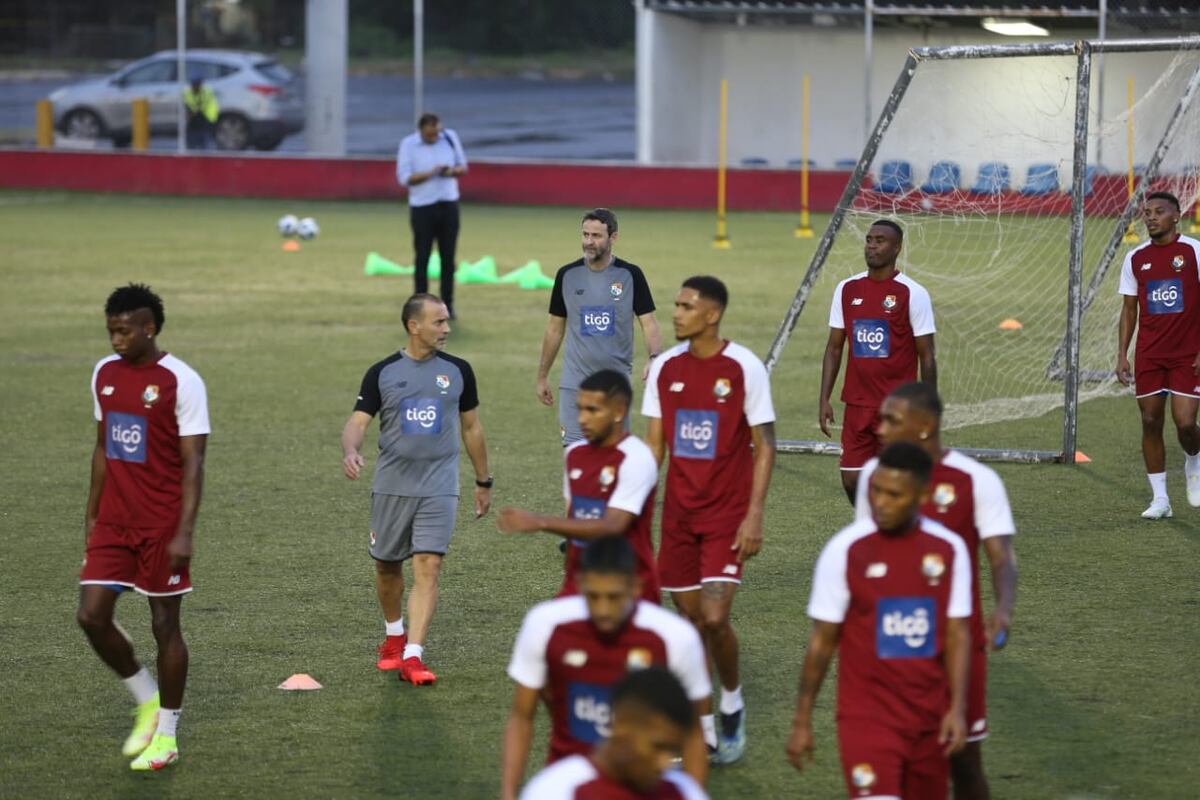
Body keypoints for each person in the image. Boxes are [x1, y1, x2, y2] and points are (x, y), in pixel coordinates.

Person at [855, 382, 1018, 800]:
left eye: (892, 420)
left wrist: (1002, 610)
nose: (880, 428)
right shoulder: (874, 477)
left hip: (955, 644)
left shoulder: (976, 481)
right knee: (894, 758)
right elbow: (864, 553)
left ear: (925, 427)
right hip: (894, 639)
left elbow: (1001, 556)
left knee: (963, 761)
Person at [786, 442, 972, 799]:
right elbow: (822, 642)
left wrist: (958, 708)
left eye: (894, 495)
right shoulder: (844, 551)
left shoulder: (949, 550)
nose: (880, 503)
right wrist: (802, 719)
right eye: (876, 491)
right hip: (866, 719)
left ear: (922, 496)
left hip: (929, 719)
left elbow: (957, 636)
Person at [642, 275, 775, 765]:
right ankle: (701, 731)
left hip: (726, 516)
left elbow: (766, 445)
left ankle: (732, 700)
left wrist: (754, 514)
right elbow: (654, 448)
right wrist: (630, 512)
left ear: (712, 314)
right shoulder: (665, 369)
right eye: (676, 305)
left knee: (715, 620)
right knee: (690, 623)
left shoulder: (744, 367)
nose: (676, 314)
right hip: (679, 516)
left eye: (686, 306)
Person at [78, 283, 209, 771]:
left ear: (149, 328)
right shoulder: (104, 373)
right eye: (111, 331)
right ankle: (146, 698)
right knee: (91, 615)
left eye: (125, 331)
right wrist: (92, 514)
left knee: (164, 625)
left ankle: (167, 736)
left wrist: (184, 531)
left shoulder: (181, 381)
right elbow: (103, 447)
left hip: (161, 523)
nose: (116, 340)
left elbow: (194, 463)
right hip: (115, 519)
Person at [341, 293, 491, 686]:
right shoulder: (382, 372)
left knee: (429, 564)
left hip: (439, 485)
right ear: (414, 326)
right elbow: (357, 422)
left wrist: (483, 480)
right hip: (392, 485)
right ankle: (394, 637)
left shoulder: (458, 371)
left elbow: (472, 427)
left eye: (446, 321)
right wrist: (351, 450)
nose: (446, 328)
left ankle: (413, 654)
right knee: (387, 565)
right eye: (438, 322)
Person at [501, 537, 710, 800]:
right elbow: (521, 717)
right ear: (579, 585)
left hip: (647, 788)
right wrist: (508, 793)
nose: (603, 610)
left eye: (614, 597)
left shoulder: (675, 637)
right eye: (593, 596)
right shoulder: (545, 624)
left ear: (636, 587)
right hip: (567, 785)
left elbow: (693, 733)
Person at [498, 369, 661, 603]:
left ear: (619, 412)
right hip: (579, 582)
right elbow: (575, 518)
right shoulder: (574, 454)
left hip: (628, 587)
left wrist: (540, 521)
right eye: (580, 409)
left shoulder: (635, 457)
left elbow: (613, 526)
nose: (582, 419)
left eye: (592, 410)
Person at [819, 219, 937, 504]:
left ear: (897, 248)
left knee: (895, 480)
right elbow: (834, 348)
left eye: (880, 241)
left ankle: (895, 526)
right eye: (869, 240)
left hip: (897, 407)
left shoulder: (912, 293)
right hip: (857, 404)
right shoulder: (847, 289)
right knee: (851, 479)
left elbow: (927, 355)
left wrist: (927, 406)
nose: (872, 246)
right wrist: (824, 398)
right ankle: (873, 522)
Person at [537, 208, 662, 446]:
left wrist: (654, 356)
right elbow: (554, 328)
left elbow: (649, 323)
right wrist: (542, 376)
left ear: (613, 237)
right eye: (585, 234)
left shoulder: (630, 275)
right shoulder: (567, 275)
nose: (588, 242)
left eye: (596, 236)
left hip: (614, 385)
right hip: (573, 383)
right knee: (574, 452)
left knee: (611, 453)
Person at [1116, 191, 1200, 519]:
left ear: (1176, 216)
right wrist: (1122, 354)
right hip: (1150, 354)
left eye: (1159, 211)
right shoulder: (1135, 258)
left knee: (1186, 423)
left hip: (1187, 354)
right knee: (1150, 421)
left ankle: (1194, 458)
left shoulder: (1194, 251)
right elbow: (1129, 309)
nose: (1151, 217)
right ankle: (1160, 499)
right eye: (1147, 212)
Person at [518, 667, 710, 800]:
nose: (665, 763)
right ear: (621, 726)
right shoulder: (555, 791)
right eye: (658, 747)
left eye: (673, 750)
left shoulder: (685, 792)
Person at [396, 113, 468, 317]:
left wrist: (450, 171)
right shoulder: (408, 145)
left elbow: (463, 167)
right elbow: (404, 178)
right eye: (430, 134)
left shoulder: (450, 137)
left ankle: (447, 305)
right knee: (422, 257)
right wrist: (431, 173)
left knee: (448, 258)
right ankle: (419, 306)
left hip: (448, 203)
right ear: (421, 130)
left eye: (437, 133)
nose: (435, 137)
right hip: (422, 206)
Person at [182, 77, 218, 150]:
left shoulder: (206, 93)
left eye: (197, 85)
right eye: (194, 85)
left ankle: (202, 149)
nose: (195, 87)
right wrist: (189, 112)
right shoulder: (187, 93)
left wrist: (192, 112)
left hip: (206, 117)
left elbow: (201, 106)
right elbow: (187, 104)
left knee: (205, 139)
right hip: (195, 118)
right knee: (192, 139)